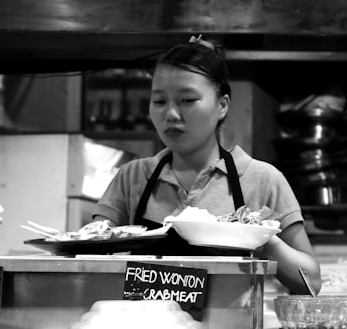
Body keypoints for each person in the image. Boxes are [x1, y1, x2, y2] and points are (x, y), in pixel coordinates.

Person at [92, 35, 321, 294]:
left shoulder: (261, 179)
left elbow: (311, 282)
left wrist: (261, 240)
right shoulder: (133, 177)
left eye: (187, 100)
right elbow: (88, 252)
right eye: (159, 101)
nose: (171, 114)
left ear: (222, 106)